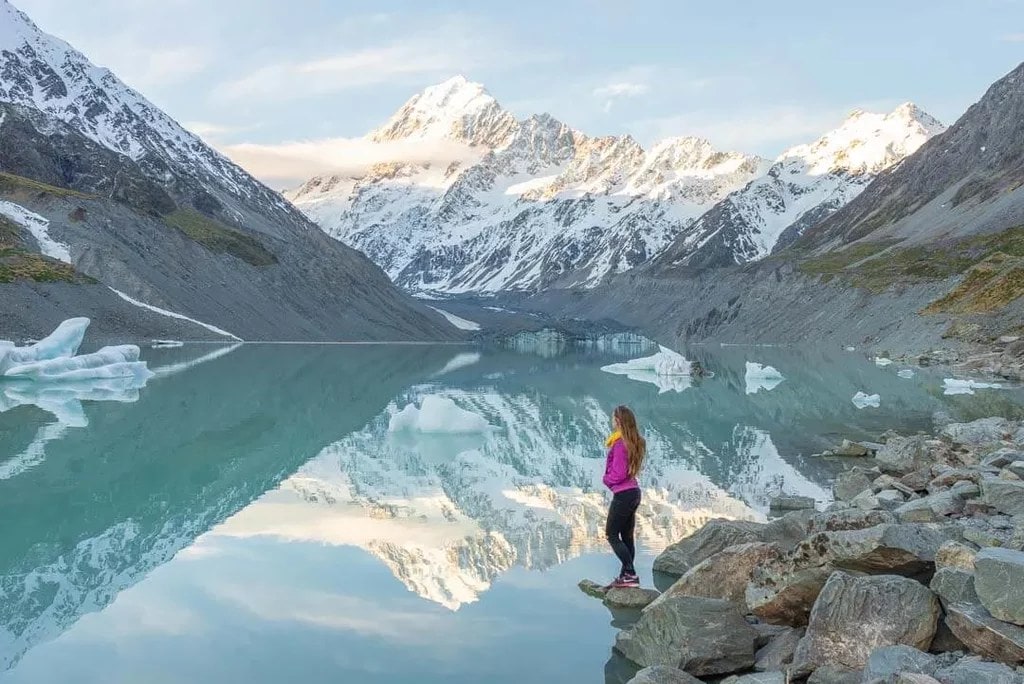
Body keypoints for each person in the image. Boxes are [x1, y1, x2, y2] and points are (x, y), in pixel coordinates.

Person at [603, 405, 645, 588]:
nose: (612, 421)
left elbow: (619, 473)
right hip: (634, 492)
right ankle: (626, 577)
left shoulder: (620, 444)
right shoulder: (634, 441)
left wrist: (607, 479)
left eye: (613, 418)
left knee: (611, 534)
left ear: (618, 421)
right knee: (627, 537)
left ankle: (630, 573)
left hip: (623, 494)